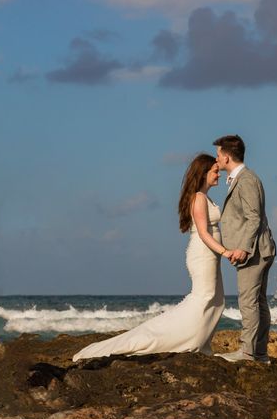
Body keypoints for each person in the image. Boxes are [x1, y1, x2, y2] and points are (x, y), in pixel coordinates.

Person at [72, 154, 230, 361]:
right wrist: (226, 252)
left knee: (216, 299)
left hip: (208, 254)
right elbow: (203, 232)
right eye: (215, 171)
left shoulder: (204, 196)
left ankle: (199, 342)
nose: (219, 174)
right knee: (204, 297)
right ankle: (180, 340)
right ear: (204, 173)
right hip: (203, 254)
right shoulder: (199, 198)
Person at [213, 135, 276, 364]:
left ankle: (248, 353)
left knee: (248, 302)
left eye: (218, 155)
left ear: (227, 156)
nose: (216, 159)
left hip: (255, 251)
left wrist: (243, 248)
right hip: (259, 249)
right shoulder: (241, 178)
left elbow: (254, 218)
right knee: (257, 302)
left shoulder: (246, 179)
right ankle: (259, 353)